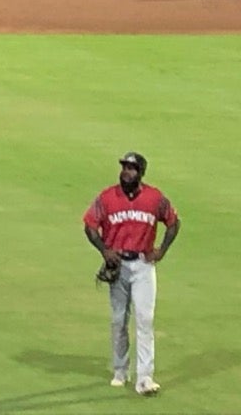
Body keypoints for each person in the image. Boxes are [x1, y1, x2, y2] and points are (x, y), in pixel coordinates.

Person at [83, 152, 180, 396]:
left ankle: (145, 377)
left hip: (143, 265)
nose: (126, 172)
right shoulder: (107, 197)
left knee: (145, 320)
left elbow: (174, 222)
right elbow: (90, 225)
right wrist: (104, 250)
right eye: (124, 167)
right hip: (119, 267)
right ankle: (120, 370)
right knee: (119, 320)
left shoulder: (154, 198)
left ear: (141, 173)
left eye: (132, 168)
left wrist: (162, 251)